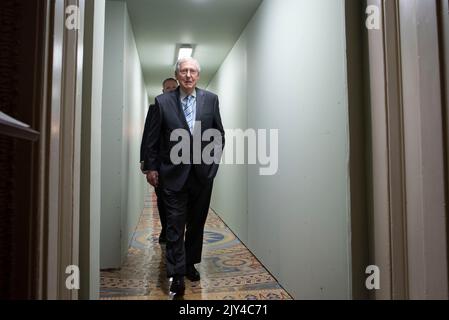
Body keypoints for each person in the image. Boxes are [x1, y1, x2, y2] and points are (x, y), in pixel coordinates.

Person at [144, 57, 225, 296]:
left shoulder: (211, 100)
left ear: (198, 75)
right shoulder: (162, 102)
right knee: (175, 226)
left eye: (193, 71)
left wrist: (212, 166)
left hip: (202, 175)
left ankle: (190, 264)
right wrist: (151, 167)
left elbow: (218, 134)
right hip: (172, 175)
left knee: (197, 223)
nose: (188, 75)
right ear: (177, 75)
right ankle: (177, 274)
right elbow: (153, 139)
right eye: (184, 71)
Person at [140, 77, 179, 244]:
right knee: (163, 200)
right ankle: (167, 229)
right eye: (167, 88)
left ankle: (175, 232)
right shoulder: (155, 107)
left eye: (173, 88)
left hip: (181, 165)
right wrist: (147, 164)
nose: (170, 90)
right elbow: (148, 135)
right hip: (161, 165)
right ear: (163, 91)